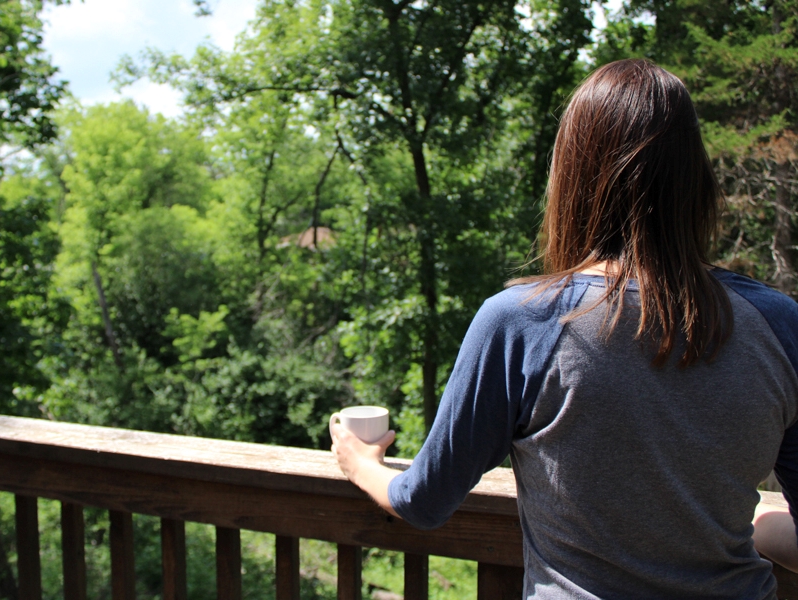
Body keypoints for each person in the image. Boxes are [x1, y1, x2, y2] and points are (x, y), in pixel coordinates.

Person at [330, 58, 798, 598]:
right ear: (695, 179)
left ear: (573, 176)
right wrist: (759, 528)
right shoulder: (779, 325)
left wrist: (360, 464)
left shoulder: (524, 321)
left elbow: (425, 500)